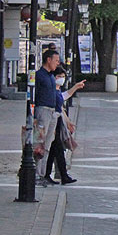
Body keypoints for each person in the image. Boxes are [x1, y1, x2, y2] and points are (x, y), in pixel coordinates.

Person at [43, 66, 85, 185]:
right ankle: (62, 175)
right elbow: (60, 103)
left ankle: (49, 174)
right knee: (57, 149)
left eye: (63, 77)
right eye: (59, 76)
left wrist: (68, 122)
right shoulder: (51, 90)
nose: (61, 79)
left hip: (58, 121)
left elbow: (62, 105)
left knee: (54, 150)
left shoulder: (57, 90)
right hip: (53, 122)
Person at [34, 46, 61, 185]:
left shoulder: (51, 76)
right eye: (56, 60)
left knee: (48, 144)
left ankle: (43, 173)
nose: (58, 63)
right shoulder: (40, 75)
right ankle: (36, 174)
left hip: (51, 111)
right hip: (42, 110)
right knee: (40, 143)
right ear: (48, 60)